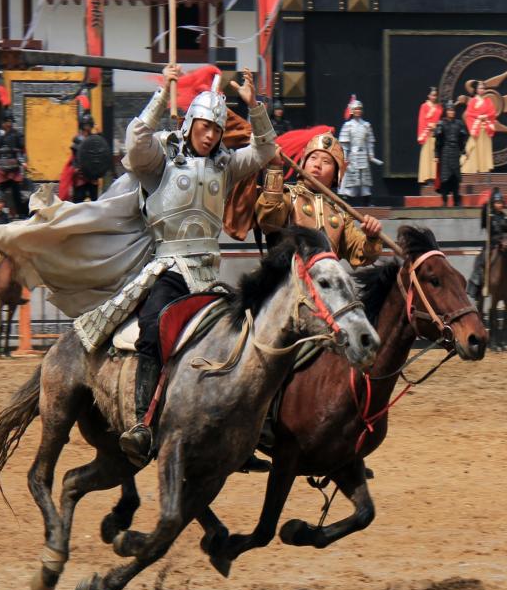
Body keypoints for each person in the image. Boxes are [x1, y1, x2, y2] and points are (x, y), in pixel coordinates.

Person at [74, 64, 276, 466]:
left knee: (244, 337)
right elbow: (135, 141)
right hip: (168, 268)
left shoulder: (226, 165)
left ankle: (239, 429)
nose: (210, 135)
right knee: (154, 330)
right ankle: (142, 422)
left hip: (209, 277)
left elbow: (266, 151)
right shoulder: (162, 159)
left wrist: (255, 108)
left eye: (216, 130)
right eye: (204, 126)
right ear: (190, 124)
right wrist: (164, 93)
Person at [255, 130, 382, 265]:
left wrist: (372, 237)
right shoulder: (287, 195)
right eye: (313, 158)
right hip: (290, 277)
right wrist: (275, 169)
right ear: (303, 163)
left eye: (326, 161)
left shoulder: (340, 213)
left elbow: (360, 253)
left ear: (336, 174)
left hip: (325, 281)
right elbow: (269, 222)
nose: (317, 165)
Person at [467, 188, 507, 299]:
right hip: (492, 244)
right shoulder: (489, 216)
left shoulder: (506, 217)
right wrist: (485, 208)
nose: (499, 205)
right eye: (497, 202)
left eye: (501, 202)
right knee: (480, 260)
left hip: (505, 244)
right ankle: (476, 285)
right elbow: (484, 224)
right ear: (493, 203)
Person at [0, 109, 27, 217]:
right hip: (2, 170)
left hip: (14, 169)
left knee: (17, 193)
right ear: (3, 122)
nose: (9, 124)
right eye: (7, 122)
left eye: (10, 122)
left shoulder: (17, 135)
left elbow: (22, 150)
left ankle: (21, 213)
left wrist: (23, 162)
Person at [338, 99, 377, 206]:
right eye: (356, 109)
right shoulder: (348, 126)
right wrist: (345, 157)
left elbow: (370, 141)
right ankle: (349, 202)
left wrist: (371, 153)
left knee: (365, 179)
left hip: (363, 155)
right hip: (353, 156)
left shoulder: (366, 125)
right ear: (352, 111)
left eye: (359, 108)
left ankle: (367, 201)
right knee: (352, 179)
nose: (358, 111)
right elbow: (344, 144)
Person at [434, 100, 467, 207]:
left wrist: (464, 151)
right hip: (445, 153)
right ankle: (444, 201)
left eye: (452, 110)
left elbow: (462, 140)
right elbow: (438, 141)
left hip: (455, 152)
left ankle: (456, 201)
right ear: (446, 111)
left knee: (455, 178)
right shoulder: (441, 123)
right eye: (449, 110)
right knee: (445, 178)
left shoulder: (459, 123)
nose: (451, 112)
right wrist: (436, 155)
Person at [461, 80, 496, 174]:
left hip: (485, 129)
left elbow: (492, 113)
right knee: (475, 148)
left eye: (483, 88)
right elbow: (469, 115)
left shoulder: (488, 101)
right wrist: (479, 117)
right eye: (480, 88)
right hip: (477, 129)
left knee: (485, 149)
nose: (482, 90)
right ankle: (475, 168)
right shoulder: (472, 101)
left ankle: (485, 168)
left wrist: (486, 117)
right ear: (476, 90)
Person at [70, 112, 100, 203]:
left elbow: (100, 155)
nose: (87, 127)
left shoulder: (95, 139)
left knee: (94, 200)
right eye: (85, 125)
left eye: (89, 125)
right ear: (82, 126)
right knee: (78, 201)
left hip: (92, 175)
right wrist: (76, 168)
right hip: (81, 175)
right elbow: (74, 157)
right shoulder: (77, 140)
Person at [417, 87, 442, 184]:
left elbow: (439, 120)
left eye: (435, 95)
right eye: (432, 95)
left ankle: (435, 176)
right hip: (427, 133)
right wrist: (428, 126)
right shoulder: (424, 106)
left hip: (435, 134)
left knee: (435, 155)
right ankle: (427, 177)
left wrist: (436, 126)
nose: (434, 97)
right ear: (428, 96)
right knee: (427, 155)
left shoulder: (439, 107)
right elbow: (421, 120)